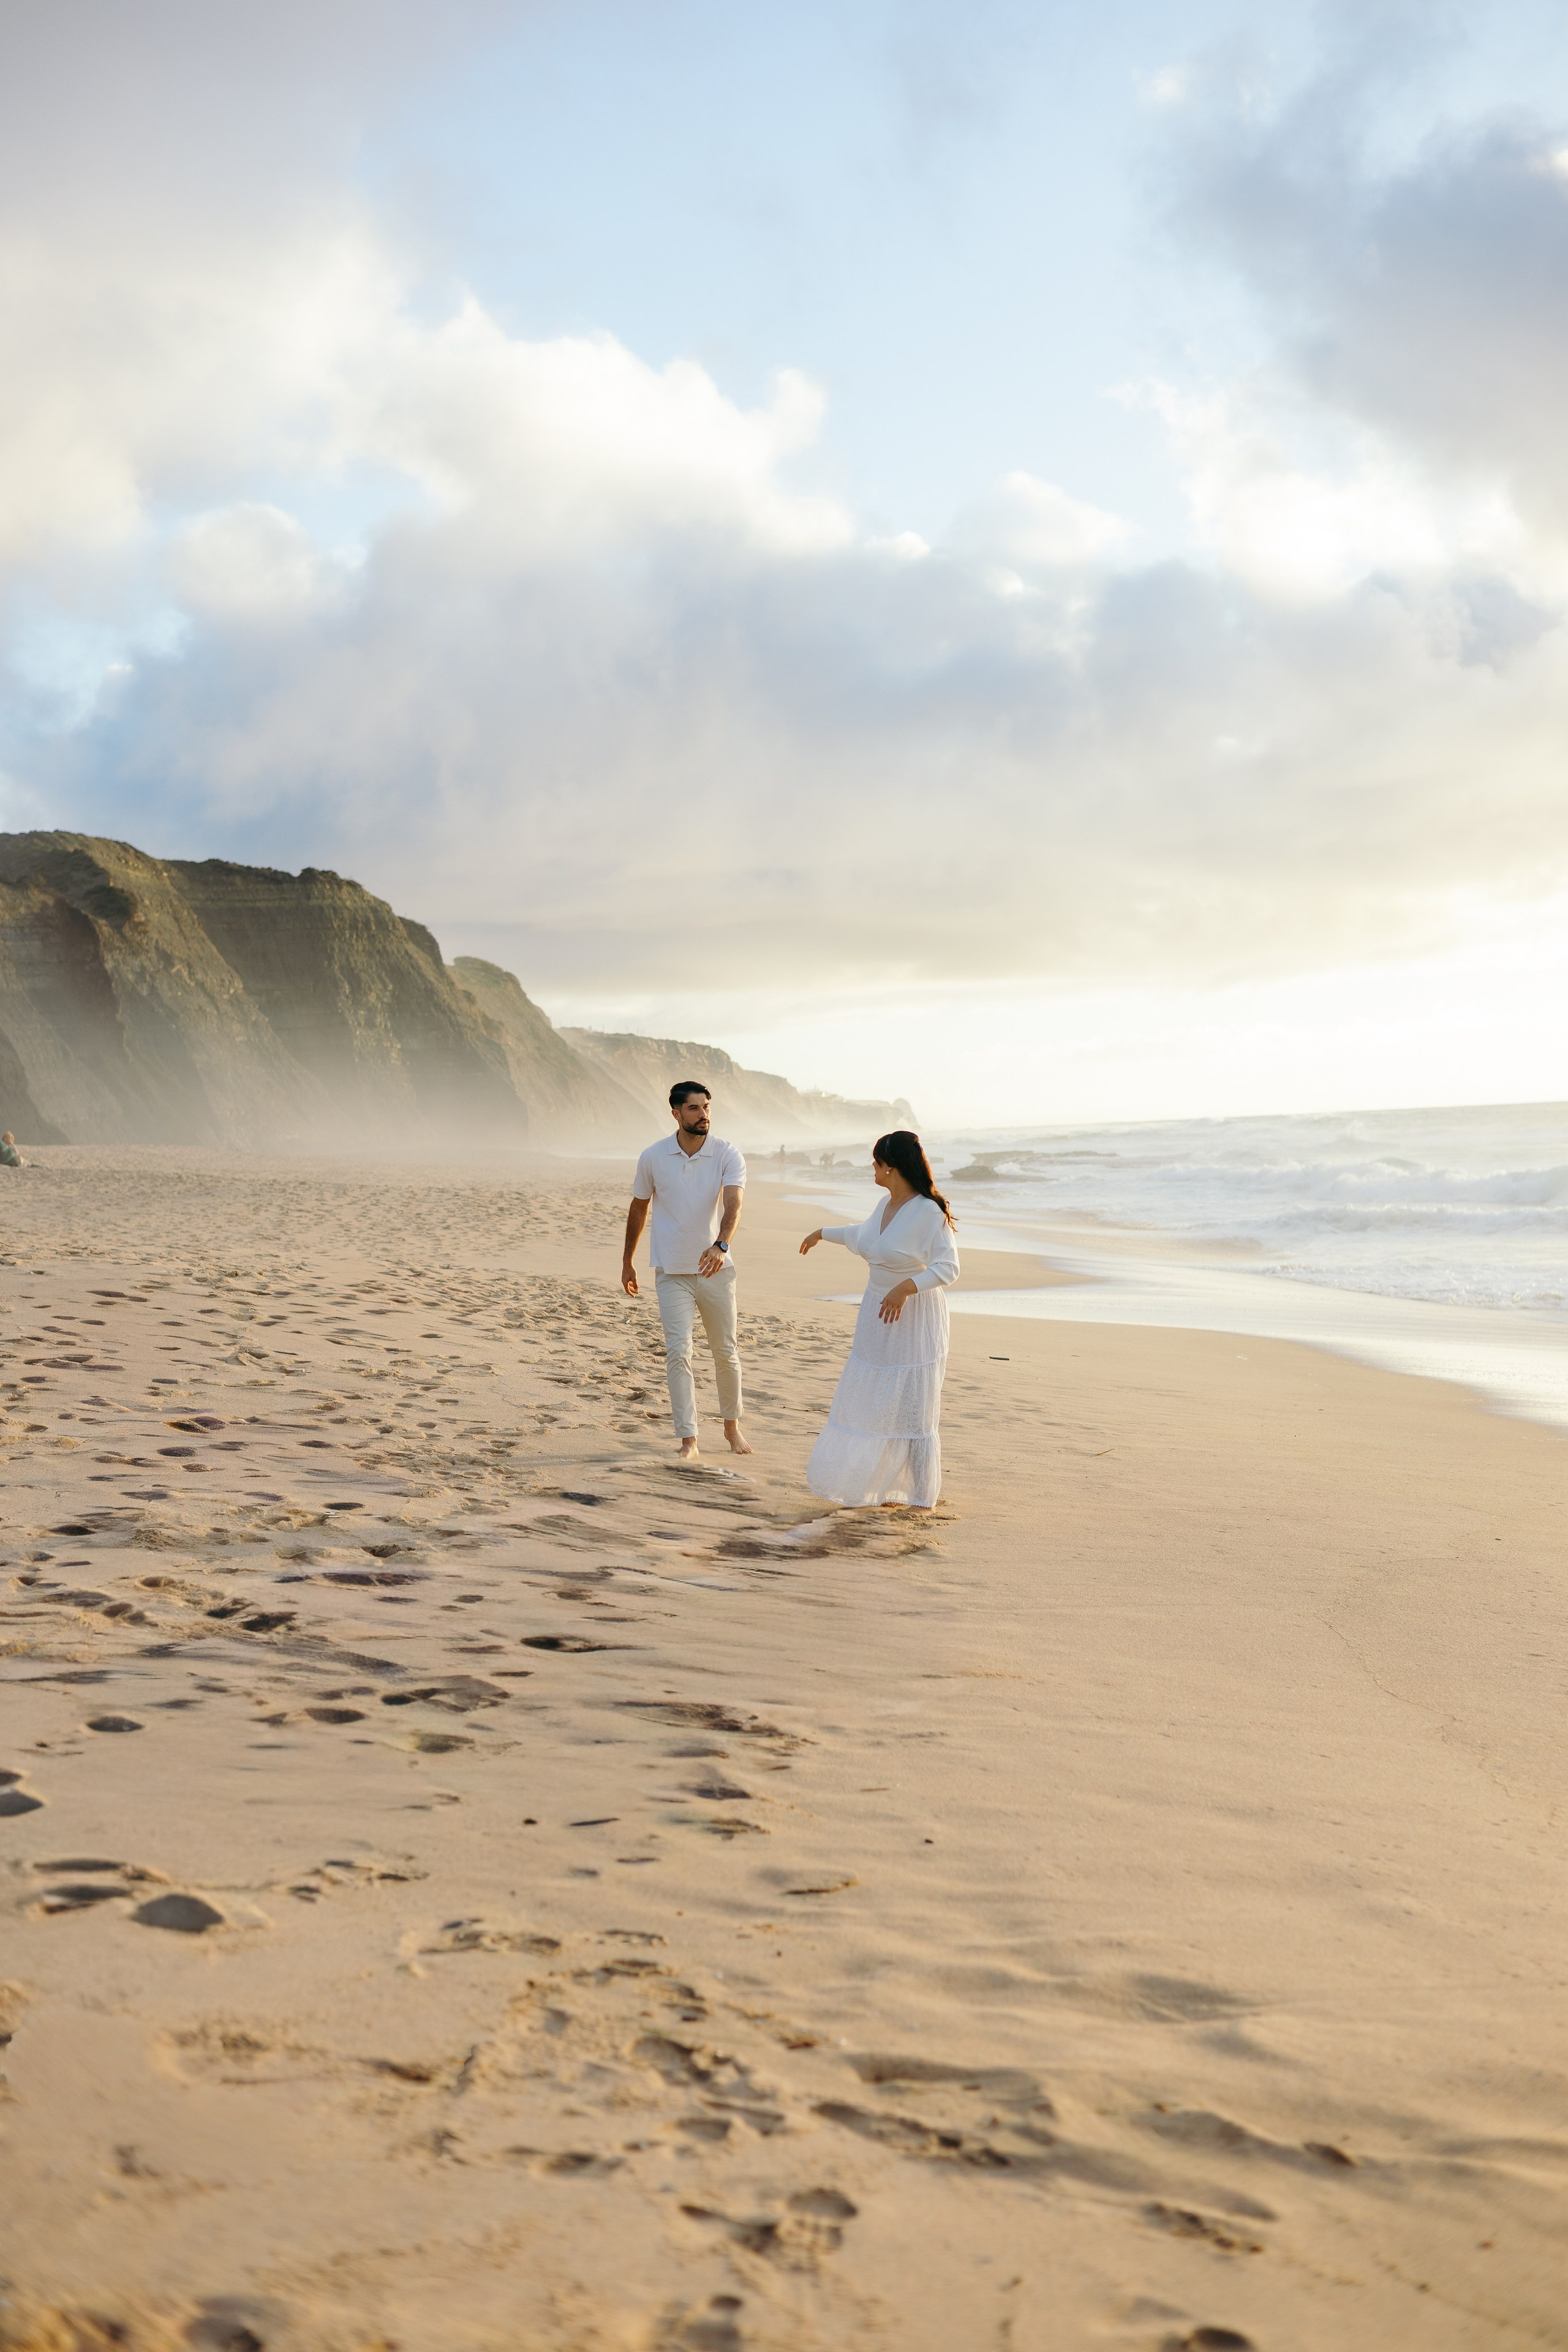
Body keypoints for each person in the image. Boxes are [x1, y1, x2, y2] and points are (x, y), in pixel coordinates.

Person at [799, 1130, 958, 1509]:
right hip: (877, 1315)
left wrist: (906, 1287)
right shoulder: (885, 1205)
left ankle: (920, 1496)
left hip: (914, 1317)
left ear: (892, 1167)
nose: (872, 1167)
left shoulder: (928, 1211)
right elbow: (864, 1237)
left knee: (914, 1408)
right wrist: (823, 1233)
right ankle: (872, 1486)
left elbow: (948, 1267)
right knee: (872, 1399)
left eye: (876, 1162)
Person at [622, 1082, 752, 1460]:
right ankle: (689, 1440)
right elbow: (638, 1208)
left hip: (716, 1269)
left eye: (707, 1107)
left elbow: (734, 1204)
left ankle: (732, 1428)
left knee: (725, 1351)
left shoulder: (727, 1153)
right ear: (676, 1114)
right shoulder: (653, 1156)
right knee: (679, 1352)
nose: (703, 1115)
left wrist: (721, 1244)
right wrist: (628, 1261)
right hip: (672, 1271)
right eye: (694, 1109)